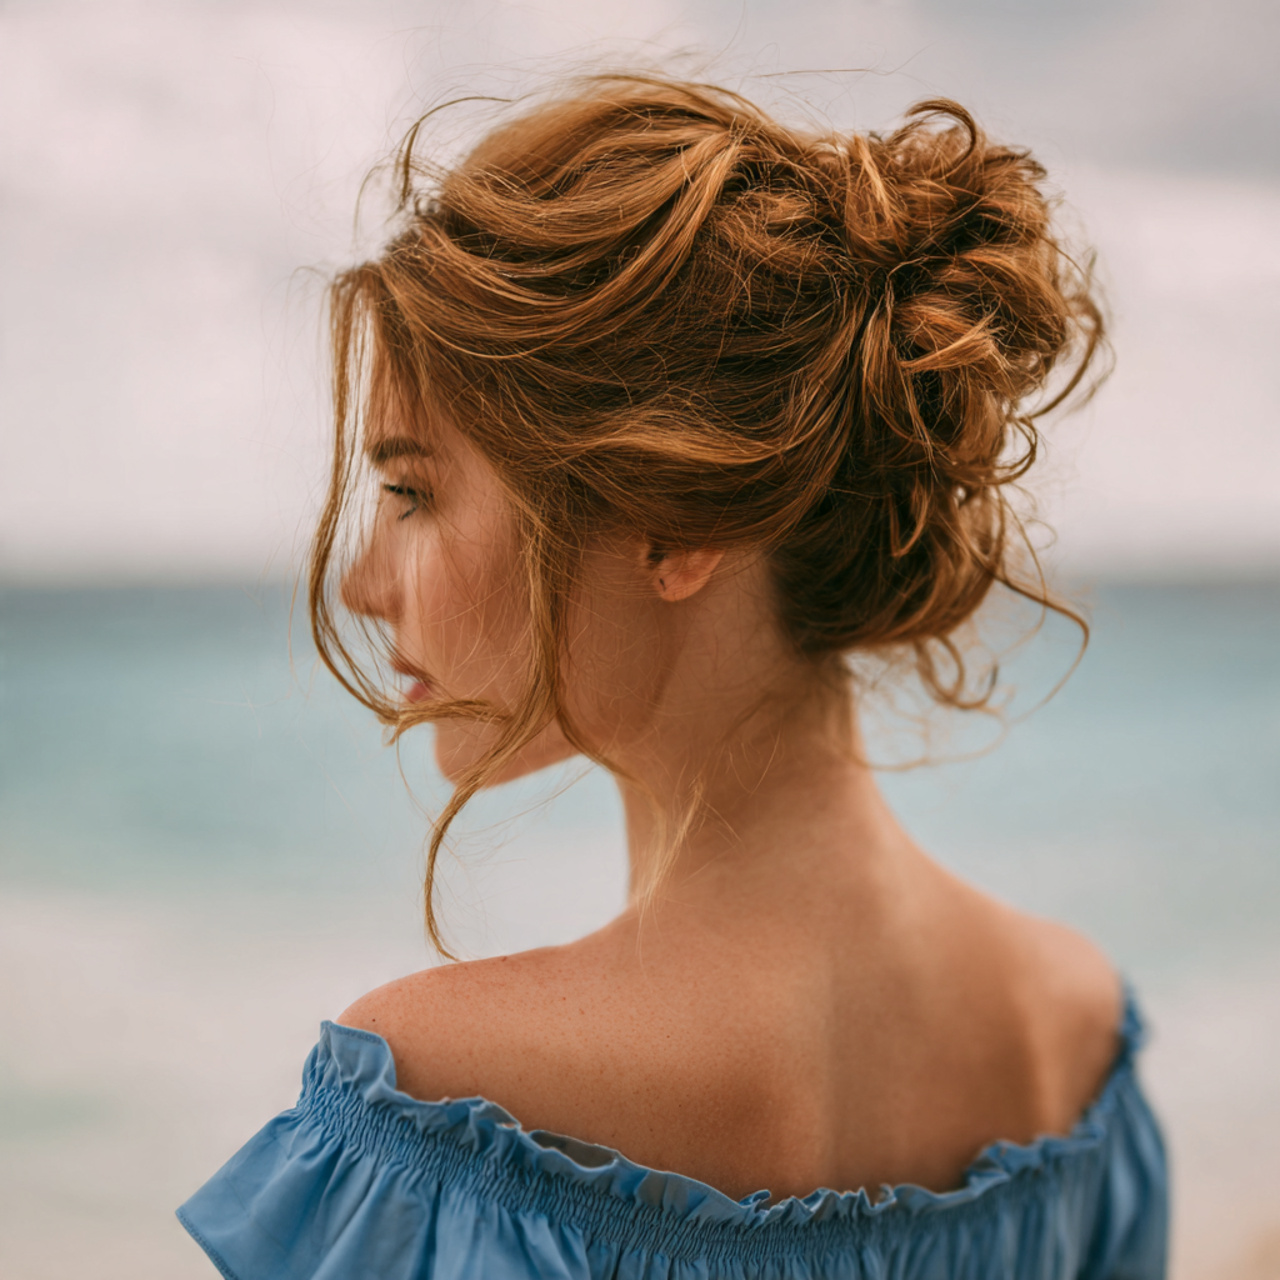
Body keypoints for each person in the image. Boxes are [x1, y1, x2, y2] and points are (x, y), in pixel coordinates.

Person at [178, 74, 1167, 1278]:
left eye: (411, 492)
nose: (362, 585)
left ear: (668, 518)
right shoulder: (1070, 1037)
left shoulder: (439, 1100)